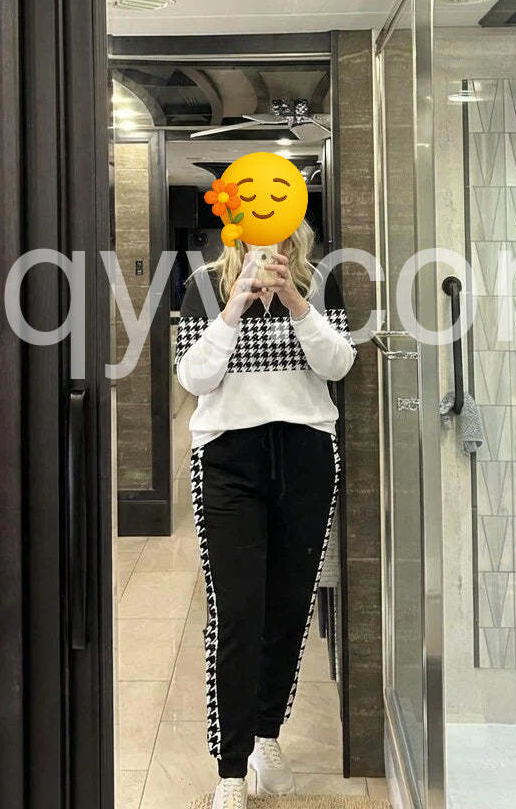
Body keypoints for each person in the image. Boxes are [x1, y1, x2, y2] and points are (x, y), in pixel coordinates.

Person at [174, 220, 355, 809]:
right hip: (228, 458)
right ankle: (230, 768)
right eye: (253, 225)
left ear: (294, 227)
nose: (265, 240)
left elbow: (338, 365)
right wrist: (234, 306)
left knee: (289, 605)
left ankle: (267, 735)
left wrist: (295, 301)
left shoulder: (319, 282)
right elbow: (193, 376)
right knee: (237, 611)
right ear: (236, 230)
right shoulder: (204, 285)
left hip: (305, 453)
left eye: (277, 224)